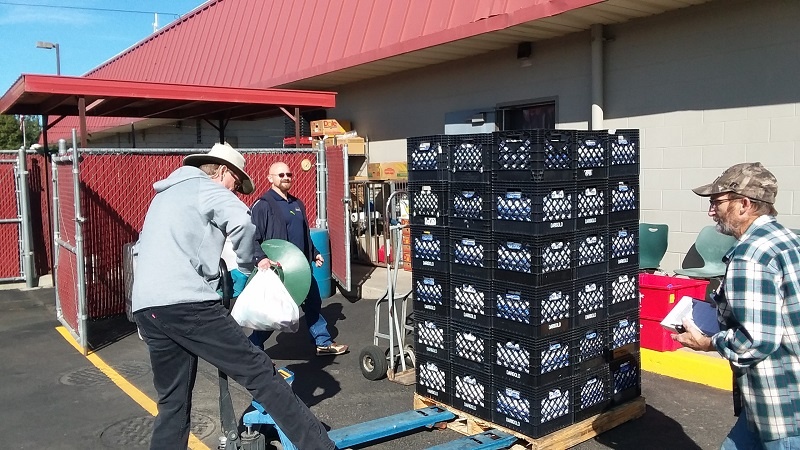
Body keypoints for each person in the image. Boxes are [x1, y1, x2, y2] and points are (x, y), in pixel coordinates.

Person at [131, 143, 334, 450]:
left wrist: (143, 314)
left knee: (173, 404)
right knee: (260, 373)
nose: (235, 192)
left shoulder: (163, 197)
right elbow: (242, 221)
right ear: (223, 171)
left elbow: (138, 250)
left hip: (149, 309)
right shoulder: (206, 187)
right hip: (188, 305)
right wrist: (250, 261)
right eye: (236, 184)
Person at [673, 162, 800, 449]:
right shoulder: (785, 238)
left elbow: (756, 340)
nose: (711, 211)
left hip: (779, 402)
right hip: (777, 396)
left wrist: (706, 342)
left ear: (744, 204)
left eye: (717, 202)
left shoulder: (750, 256)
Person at [248, 161, 348, 356]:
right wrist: (260, 258)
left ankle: (323, 341)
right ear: (270, 178)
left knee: (313, 303)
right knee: (276, 313)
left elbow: (304, 233)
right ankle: (251, 346)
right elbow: (252, 237)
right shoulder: (263, 205)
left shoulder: (297, 203)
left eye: (289, 175)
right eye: (281, 175)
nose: (286, 178)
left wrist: (315, 253)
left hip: (300, 268)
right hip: (278, 269)